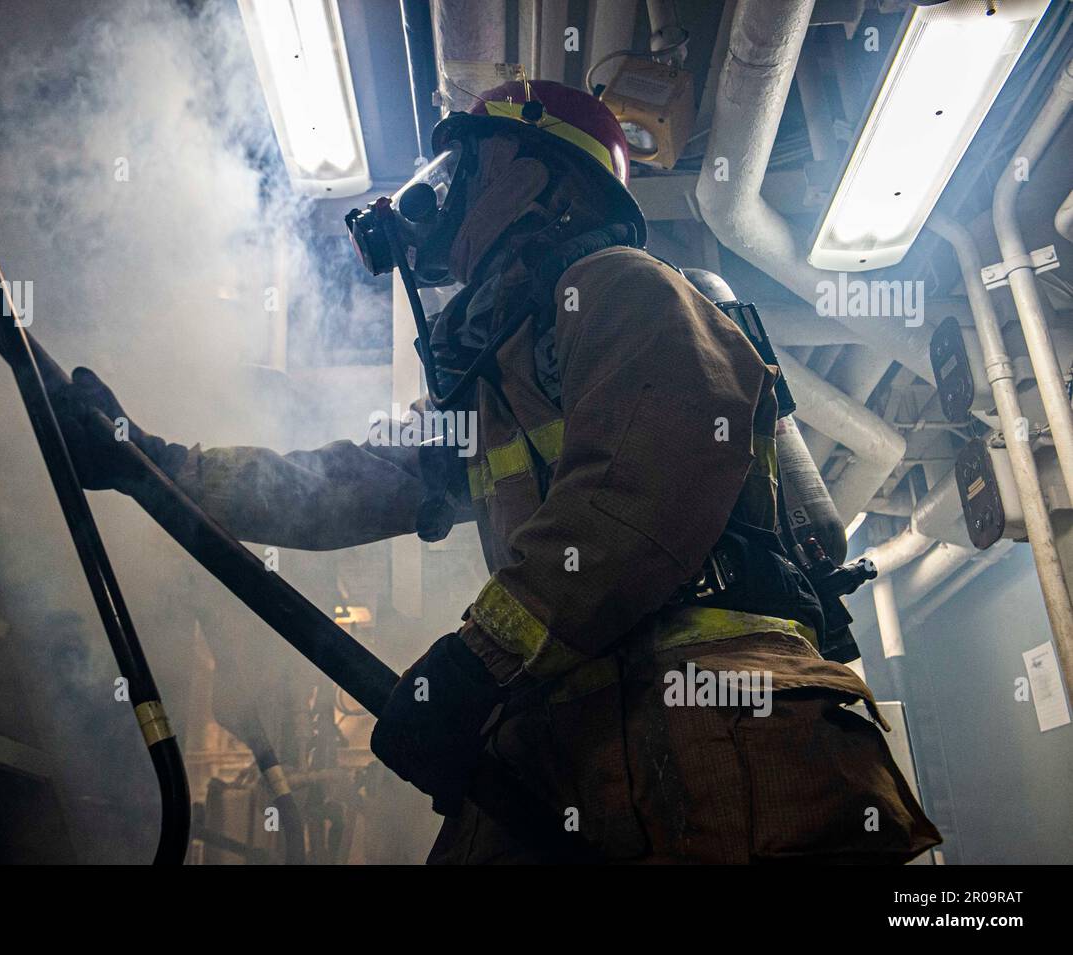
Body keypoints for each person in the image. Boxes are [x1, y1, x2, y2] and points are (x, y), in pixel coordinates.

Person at [57, 79, 940, 864]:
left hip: (728, 732)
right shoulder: (490, 383)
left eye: (466, 168)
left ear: (539, 173)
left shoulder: (623, 287)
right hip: (584, 741)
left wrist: (476, 663)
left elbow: (634, 491)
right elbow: (333, 487)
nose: (443, 201)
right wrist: (154, 462)